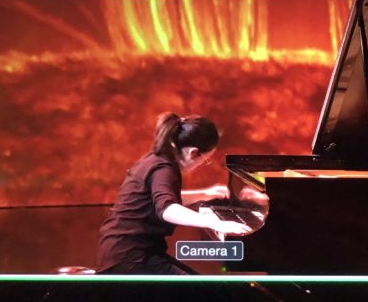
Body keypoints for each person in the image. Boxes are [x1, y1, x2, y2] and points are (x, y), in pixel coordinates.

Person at [97, 112, 252, 275]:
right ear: (193, 152)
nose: (201, 164)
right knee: (201, 292)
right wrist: (215, 223)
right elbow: (167, 209)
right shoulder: (164, 168)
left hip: (125, 253)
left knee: (202, 286)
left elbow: (159, 198)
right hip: (130, 259)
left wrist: (204, 194)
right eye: (205, 159)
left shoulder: (156, 159)